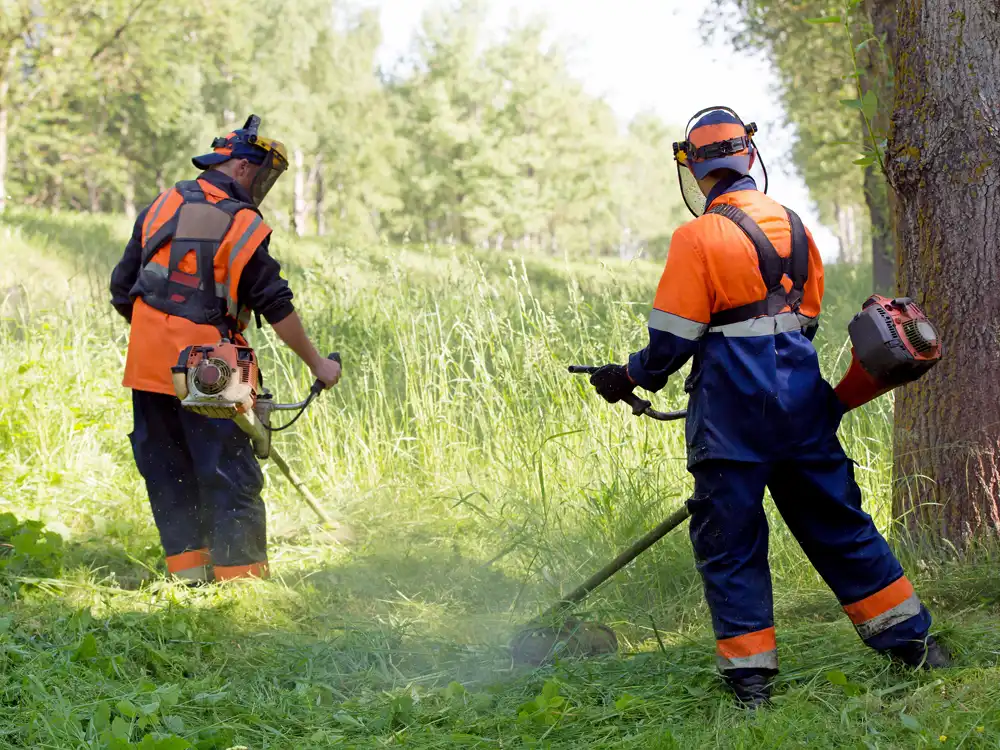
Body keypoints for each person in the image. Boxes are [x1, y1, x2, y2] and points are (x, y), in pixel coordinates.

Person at [588, 107, 948, 708]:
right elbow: (803, 318)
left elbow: (671, 344)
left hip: (732, 416)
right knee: (840, 526)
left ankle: (751, 684)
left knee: (732, 543)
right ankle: (915, 646)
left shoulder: (698, 237)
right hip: (803, 404)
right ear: (749, 157)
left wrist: (626, 376)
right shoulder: (796, 226)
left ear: (697, 171)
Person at [109, 115, 341, 584]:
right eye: (261, 175)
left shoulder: (162, 204)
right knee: (229, 475)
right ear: (239, 167)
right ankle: (242, 592)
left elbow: (121, 289)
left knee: (169, 473)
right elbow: (275, 303)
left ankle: (189, 582)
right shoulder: (241, 222)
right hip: (209, 373)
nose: (261, 185)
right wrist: (319, 365)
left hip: (148, 365)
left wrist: (162, 333)